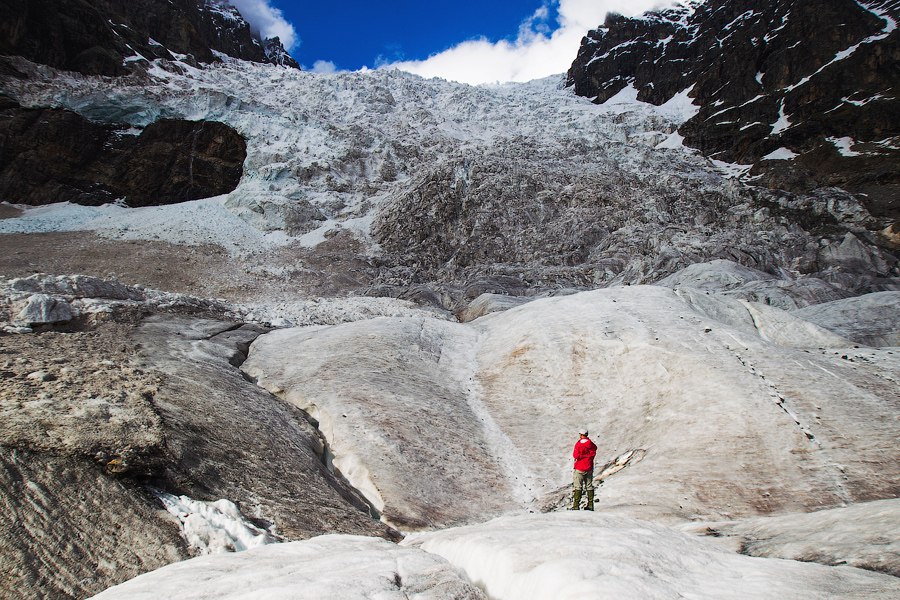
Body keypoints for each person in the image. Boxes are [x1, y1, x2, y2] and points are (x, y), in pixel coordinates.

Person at [570, 427, 597, 510]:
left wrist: (581, 456)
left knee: (578, 487)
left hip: (579, 467)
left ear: (581, 435)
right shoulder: (591, 444)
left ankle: (575, 506)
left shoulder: (578, 444)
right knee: (589, 486)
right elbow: (594, 450)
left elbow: (575, 455)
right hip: (589, 467)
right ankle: (590, 505)